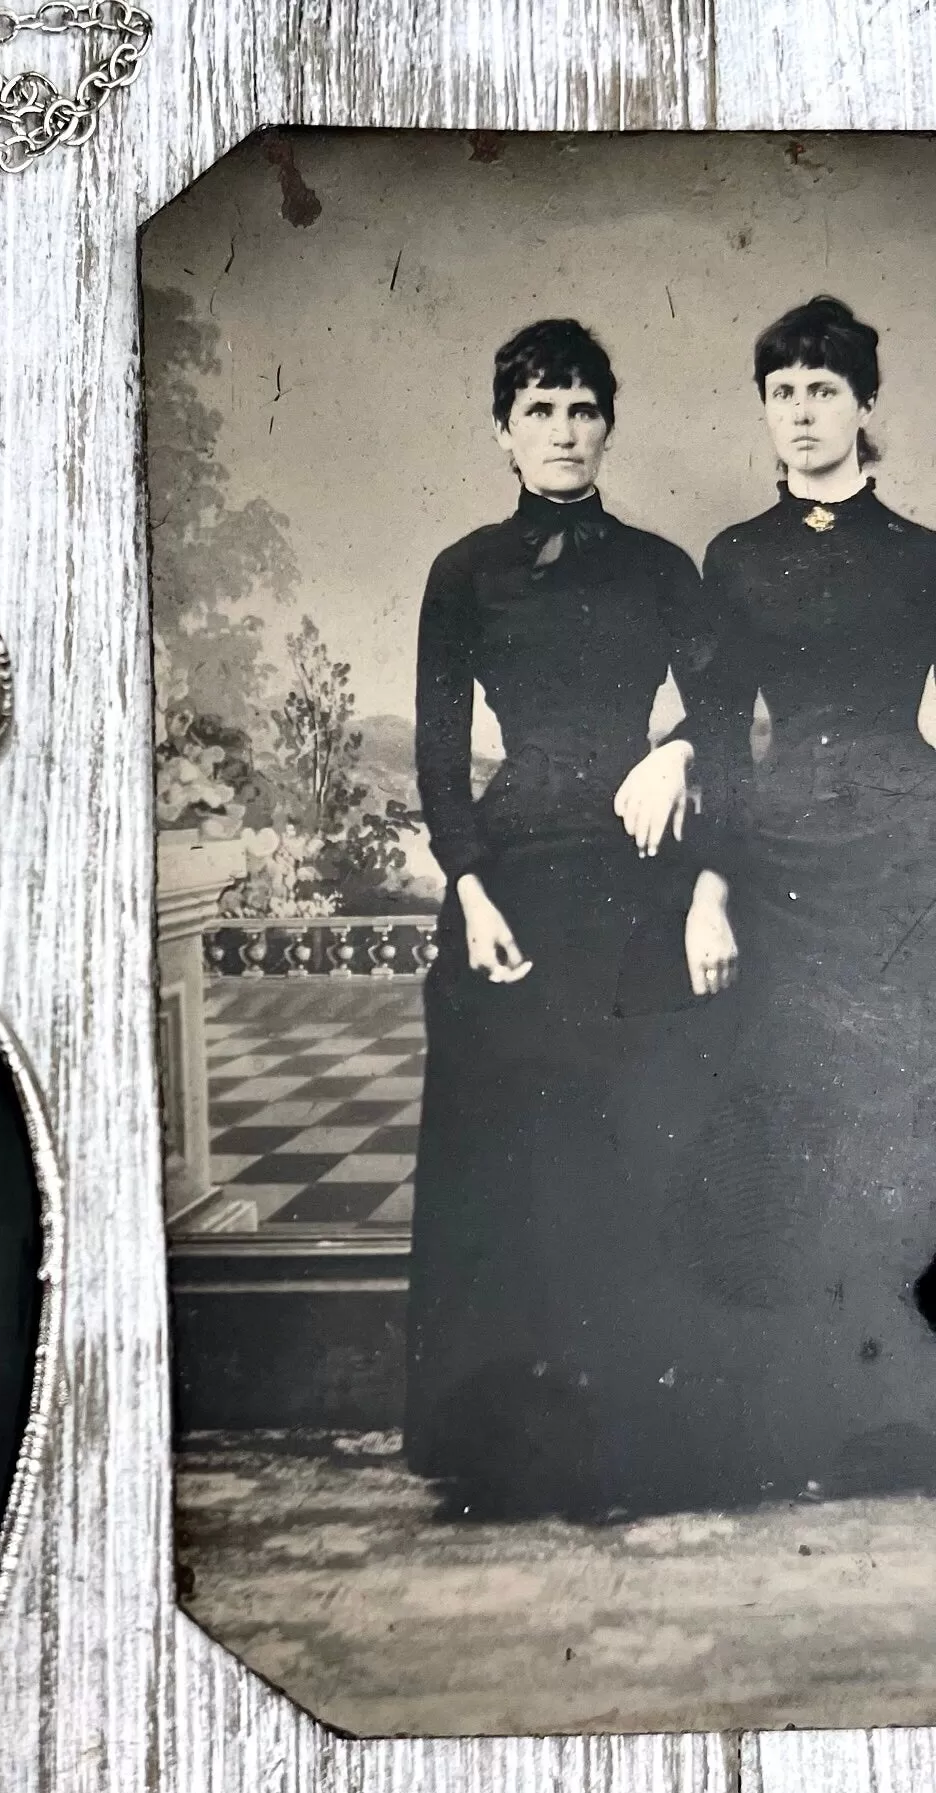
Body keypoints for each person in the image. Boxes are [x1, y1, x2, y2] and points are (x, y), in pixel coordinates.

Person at [404, 317, 739, 1518]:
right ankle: (503, 1454)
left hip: (633, 887)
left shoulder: (658, 566)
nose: (562, 429)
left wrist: (683, 749)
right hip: (508, 890)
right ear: (502, 429)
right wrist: (466, 883)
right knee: (510, 1166)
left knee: (626, 1154)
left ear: (607, 424)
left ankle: (625, 1452)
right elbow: (440, 749)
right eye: (538, 408)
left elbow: (724, 702)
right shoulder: (462, 570)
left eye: (581, 408)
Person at [676, 295, 936, 1501]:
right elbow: (721, 739)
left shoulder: (923, 554)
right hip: (782, 859)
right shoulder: (733, 557)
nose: (800, 410)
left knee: (902, 1115)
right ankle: (802, 1420)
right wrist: (710, 889)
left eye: (822, 389)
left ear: (864, 406)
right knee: (790, 1113)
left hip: (905, 851)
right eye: (781, 390)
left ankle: (904, 1416)